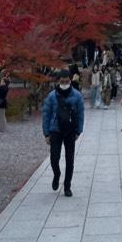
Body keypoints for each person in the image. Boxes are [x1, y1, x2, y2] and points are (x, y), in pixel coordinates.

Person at [42, 69, 85, 197]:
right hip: (55, 129)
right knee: (54, 158)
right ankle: (57, 174)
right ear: (58, 81)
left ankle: (67, 185)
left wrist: (78, 130)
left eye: (66, 81)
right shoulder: (52, 96)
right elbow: (46, 115)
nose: (64, 83)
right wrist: (46, 133)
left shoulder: (77, 96)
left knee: (69, 159)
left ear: (70, 80)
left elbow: (80, 114)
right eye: (62, 81)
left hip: (70, 129)